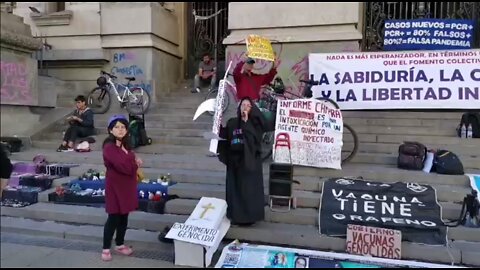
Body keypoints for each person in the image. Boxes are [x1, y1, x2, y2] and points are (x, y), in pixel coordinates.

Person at [217, 98, 275, 226]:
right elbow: (225, 136)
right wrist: (218, 124)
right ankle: (236, 216)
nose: (245, 107)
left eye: (248, 105)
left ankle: (249, 217)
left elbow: (253, 139)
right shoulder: (232, 122)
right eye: (243, 105)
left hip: (250, 162)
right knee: (235, 190)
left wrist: (246, 122)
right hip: (235, 162)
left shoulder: (256, 124)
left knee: (249, 190)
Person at [101, 114, 143, 261]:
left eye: (123, 127)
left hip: (126, 186)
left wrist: (133, 159)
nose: (120, 130)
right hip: (115, 186)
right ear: (110, 130)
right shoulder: (109, 146)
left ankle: (120, 243)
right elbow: (124, 166)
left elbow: (129, 160)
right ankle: (106, 248)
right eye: (116, 127)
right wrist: (134, 161)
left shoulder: (125, 145)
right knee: (113, 216)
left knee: (124, 215)